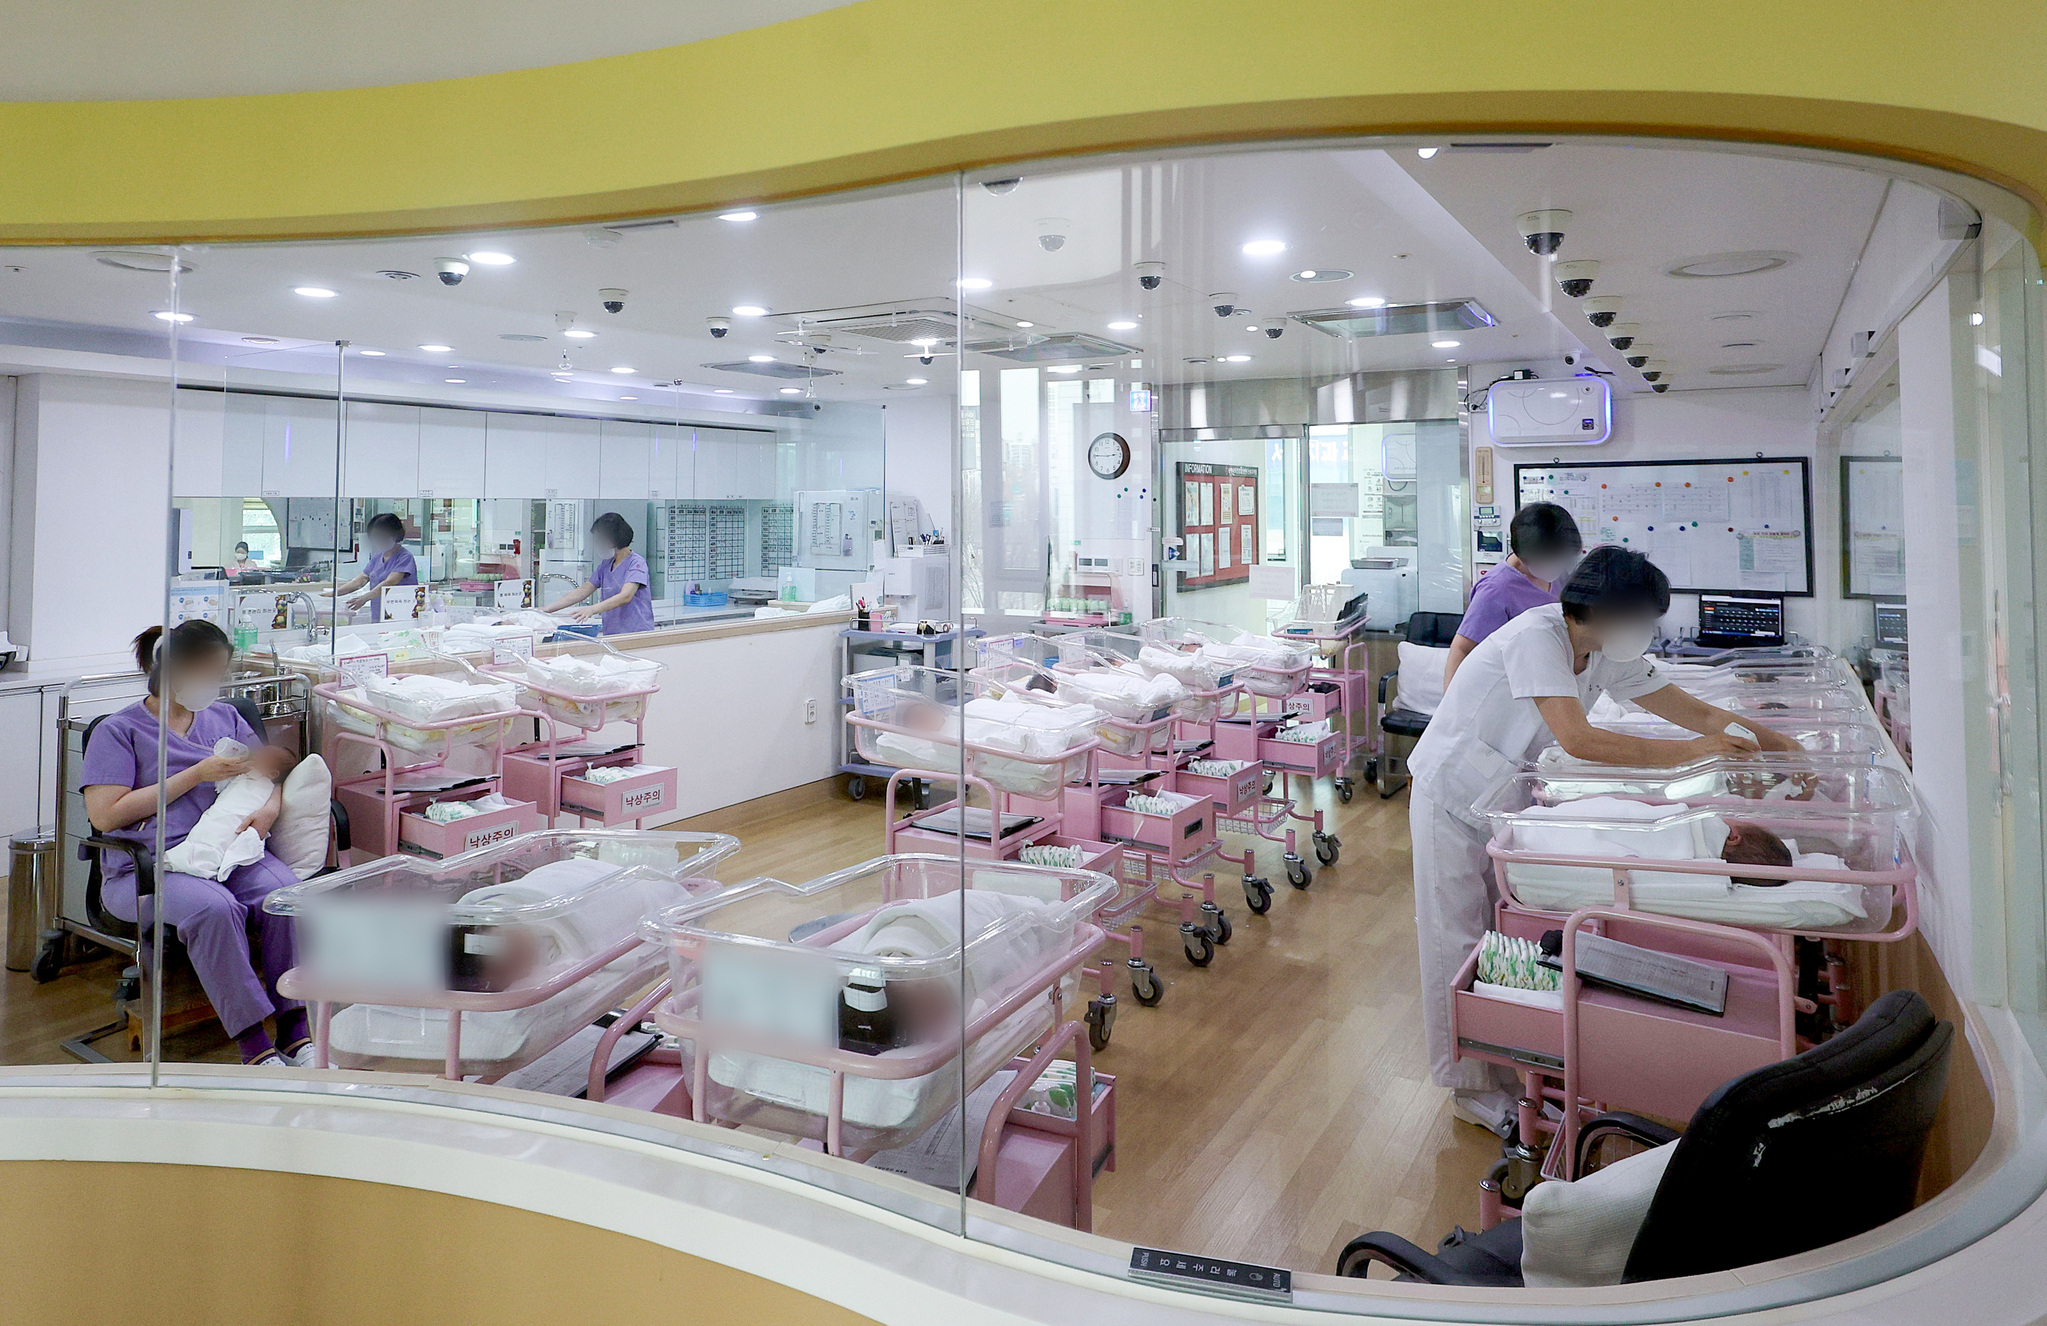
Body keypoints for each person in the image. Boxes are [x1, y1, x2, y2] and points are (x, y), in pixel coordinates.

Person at [1405, 546, 1801, 1136]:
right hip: (1449, 794)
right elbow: (1579, 738)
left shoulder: (1600, 652)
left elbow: (1687, 710)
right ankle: (1466, 1088)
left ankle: (1511, 1066)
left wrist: (1782, 746)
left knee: (1499, 941)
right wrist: (1694, 754)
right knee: (1453, 939)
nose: (1645, 634)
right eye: (1641, 620)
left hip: (1502, 803)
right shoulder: (1537, 637)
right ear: (1607, 611)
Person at [80, 622, 312, 1066]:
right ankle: (255, 1048)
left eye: (218, 673)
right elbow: (105, 815)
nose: (212, 683)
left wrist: (269, 810)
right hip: (148, 869)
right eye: (204, 671)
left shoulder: (225, 717)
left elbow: (267, 773)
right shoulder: (119, 731)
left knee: (284, 896)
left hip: (226, 850)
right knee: (215, 909)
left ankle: (295, 1029)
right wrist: (196, 775)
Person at [1444, 502, 1582, 687]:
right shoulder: (1496, 589)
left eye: (1560, 557)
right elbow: (1462, 649)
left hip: (1552, 676)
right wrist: (1452, 707)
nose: (1556, 563)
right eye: (1549, 557)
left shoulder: (1560, 576)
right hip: (1511, 686)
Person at [541, 511, 655, 636]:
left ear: (613, 539)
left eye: (600, 539)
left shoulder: (636, 563)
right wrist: (548, 609)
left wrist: (592, 609)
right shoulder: (606, 565)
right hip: (613, 633)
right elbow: (582, 591)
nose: (598, 544)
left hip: (636, 633)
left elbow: (626, 596)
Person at [328, 512, 417, 622]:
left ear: (395, 535)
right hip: (378, 613)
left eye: (382, 537)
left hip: (400, 614)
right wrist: (332, 594)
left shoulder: (405, 557)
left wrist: (364, 598)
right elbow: (360, 580)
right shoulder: (378, 556)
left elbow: (390, 582)